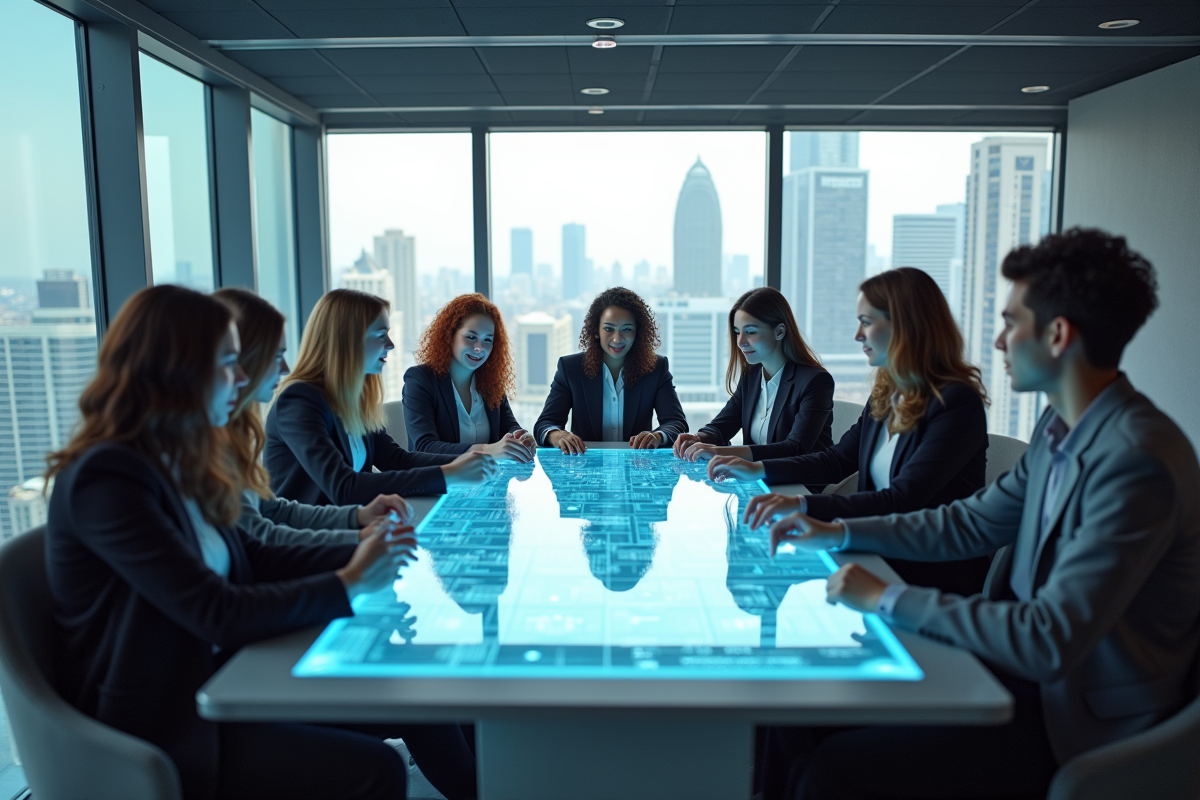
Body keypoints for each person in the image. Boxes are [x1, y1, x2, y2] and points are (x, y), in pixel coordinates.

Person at [765, 229, 1200, 800]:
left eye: (1011, 322)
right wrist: (839, 529)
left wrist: (886, 597)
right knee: (794, 710)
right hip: (1014, 672)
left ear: (1058, 335)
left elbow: (1049, 638)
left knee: (835, 770)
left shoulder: (1135, 460)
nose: (997, 341)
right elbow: (968, 521)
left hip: (1069, 717)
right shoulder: (1062, 430)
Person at [44, 285, 478, 800]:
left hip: (225, 673)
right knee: (375, 769)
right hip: (175, 716)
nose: (244, 378)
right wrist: (351, 579)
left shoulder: (178, 461)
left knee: (427, 699)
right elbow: (214, 610)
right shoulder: (107, 479)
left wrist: (373, 553)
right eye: (228, 363)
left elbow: (254, 551)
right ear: (175, 369)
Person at [709, 267, 991, 596]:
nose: (858, 335)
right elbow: (837, 460)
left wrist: (803, 506)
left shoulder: (956, 403)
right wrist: (759, 470)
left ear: (907, 325)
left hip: (927, 576)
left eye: (867, 322)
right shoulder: (887, 392)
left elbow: (902, 499)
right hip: (874, 554)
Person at [215, 287, 414, 546]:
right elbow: (341, 488)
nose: (285, 368)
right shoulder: (299, 399)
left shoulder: (228, 439)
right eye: (275, 356)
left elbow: (272, 511)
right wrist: (354, 548)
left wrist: (357, 522)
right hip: (303, 553)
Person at [266, 289, 495, 506]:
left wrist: (468, 459)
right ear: (348, 340)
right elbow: (344, 487)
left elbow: (396, 460)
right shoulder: (298, 401)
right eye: (381, 335)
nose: (391, 345)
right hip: (306, 542)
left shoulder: (353, 400)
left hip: (351, 534)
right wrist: (449, 474)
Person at [672, 287, 834, 463]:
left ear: (779, 332)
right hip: (758, 478)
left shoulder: (815, 381)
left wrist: (720, 453)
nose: (740, 342)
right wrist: (698, 438)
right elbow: (723, 425)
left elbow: (795, 448)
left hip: (800, 483)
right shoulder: (752, 375)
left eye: (750, 332)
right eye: (737, 332)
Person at [534, 286, 688, 453]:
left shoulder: (656, 369)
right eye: (609, 329)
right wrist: (558, 436)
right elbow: (545, 424)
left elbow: (676, 423)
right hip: (586, 472)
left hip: (636, 471)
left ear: (638, 333)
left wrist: (657, 437)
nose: (617, 338)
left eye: (627, 329)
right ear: (596, 331)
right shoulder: (570, 369)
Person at [403, 293, 535, 461]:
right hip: (439, 482)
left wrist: (519, 436)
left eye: (488, 340)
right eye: (471, 337)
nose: (479, 348)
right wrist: (488, 450)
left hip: (487, 481)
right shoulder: (420, 379)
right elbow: (424, 446)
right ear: (450, 335)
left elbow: (508, 425)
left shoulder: (490, 381)